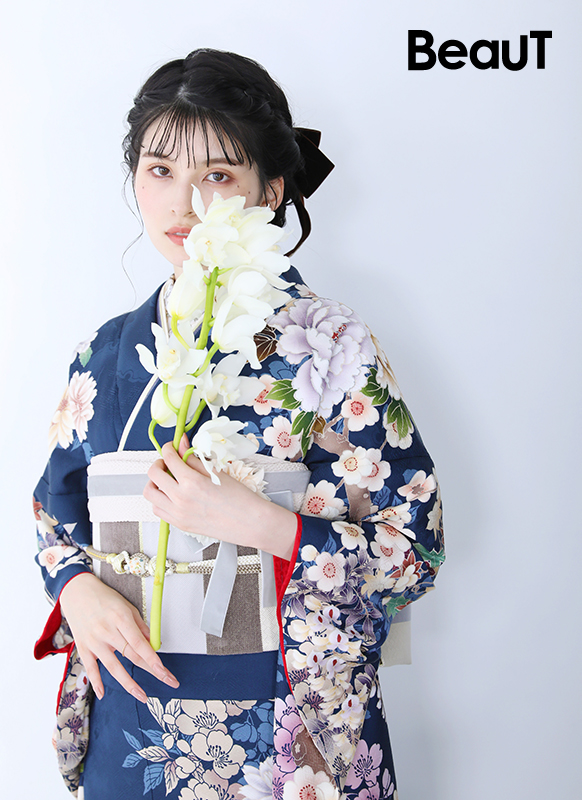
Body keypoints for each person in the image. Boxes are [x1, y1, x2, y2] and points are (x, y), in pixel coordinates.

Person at [34, 48, 444, 800]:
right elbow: (55, 516)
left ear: (271, 190)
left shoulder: (329, 345)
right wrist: (76, 590)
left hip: (287, 731)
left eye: (218, 175)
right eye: (160, 170)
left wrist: (264, 525)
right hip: (134, 720)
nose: (184, 203)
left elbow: (413, 547)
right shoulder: (106, 351)